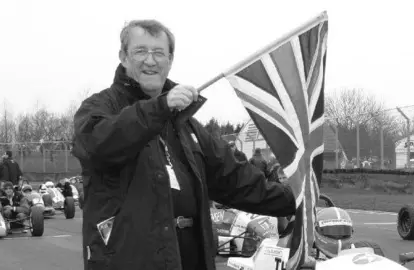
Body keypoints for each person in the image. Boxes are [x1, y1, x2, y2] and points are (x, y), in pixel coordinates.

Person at [72, 19, 297, 270]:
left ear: (170, 60)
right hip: (128, 260)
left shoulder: (185, 124)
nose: (150, 60)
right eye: (140, 51)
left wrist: (295, 198)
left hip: (190, 257)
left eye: (159, 53)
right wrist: (160, 108)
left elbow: (234, 178)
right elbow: (99, 144)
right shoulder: (99, 108)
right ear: (123, 57)